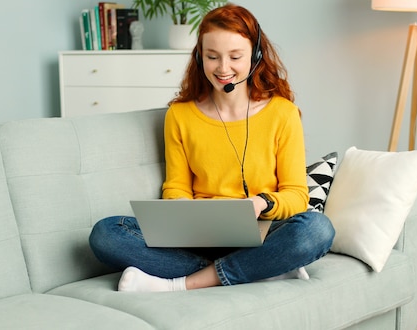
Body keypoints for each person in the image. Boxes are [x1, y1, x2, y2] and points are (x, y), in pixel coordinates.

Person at [89, 4, 335, 293]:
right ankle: (259, 269)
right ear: (199, 57)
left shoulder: (282, 113)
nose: (223, 68)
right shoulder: (179, 115)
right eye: (212, 57)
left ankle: (185, 283)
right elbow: (176, 187)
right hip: (198, 238)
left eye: (235, 57)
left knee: (317, 229)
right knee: (106, 234)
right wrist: (180, 208)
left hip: (262, 231)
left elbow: (295, 195)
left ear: (255, 57)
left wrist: (260, 203)